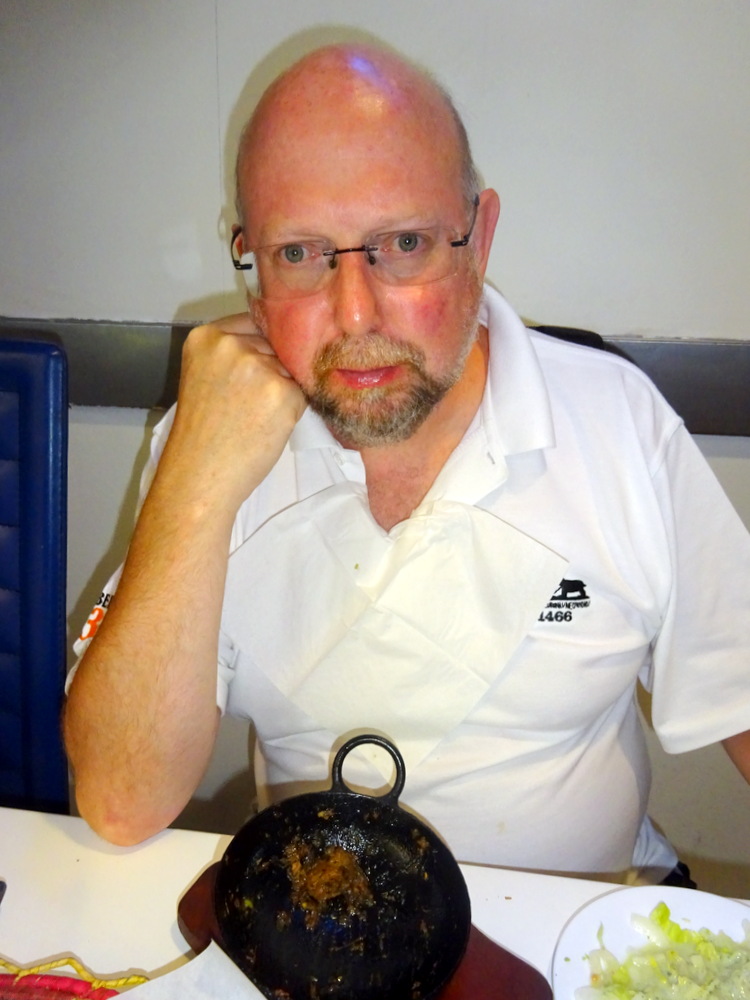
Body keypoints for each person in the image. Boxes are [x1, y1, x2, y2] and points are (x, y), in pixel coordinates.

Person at [64, 41, 750, 885]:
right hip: (320, 929)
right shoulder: (209, 435)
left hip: (588, 926)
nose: (354, 314)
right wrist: (196, 484)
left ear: (479, 237)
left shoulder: (617, 421)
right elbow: (120, 800)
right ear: (252, 267)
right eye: (299, 253)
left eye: (405, 243)